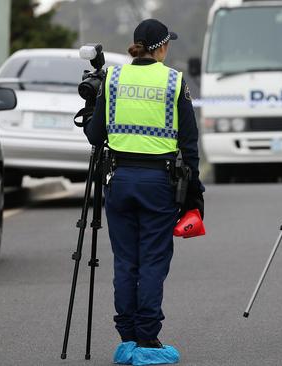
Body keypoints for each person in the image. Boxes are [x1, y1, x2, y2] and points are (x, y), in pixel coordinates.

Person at [84, 19, 204, 365]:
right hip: (158, 184)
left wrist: (92, 109)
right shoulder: (174, 81)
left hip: (118, 180)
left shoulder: (114, 78)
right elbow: (190, 143)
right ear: (162, 48)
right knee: (152, 260)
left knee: (126, 261)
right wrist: (194, 191)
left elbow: (95, 134)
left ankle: (127, 339)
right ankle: (148, 340)